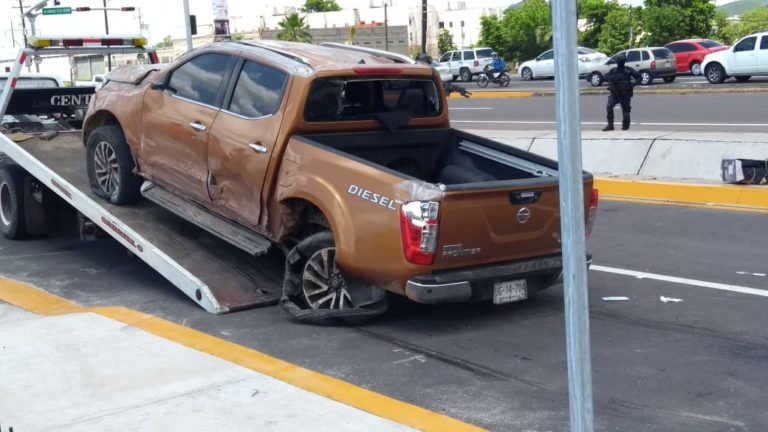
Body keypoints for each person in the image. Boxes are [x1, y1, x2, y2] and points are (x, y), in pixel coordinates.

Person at [602, 52, 641, 131]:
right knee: (609, 107)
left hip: (625, 93)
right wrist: (610, 78)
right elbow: (605, 76)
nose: (620, 63)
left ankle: (625, 127)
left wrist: (633, 84)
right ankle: (610, 125)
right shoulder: (613, 71)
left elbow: (639, 78)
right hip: (615, 93)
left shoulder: (628, 70)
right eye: (619, 62)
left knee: (626, 112)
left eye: (621, 62)